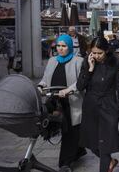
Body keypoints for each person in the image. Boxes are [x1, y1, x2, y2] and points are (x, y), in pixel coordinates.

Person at [77, 37, 119, 172]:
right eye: (94, 53)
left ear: (106, 50)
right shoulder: (87, 62)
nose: (97, 56)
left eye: (100, 53)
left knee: (105, 145)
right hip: (91, 106)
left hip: (109, 106)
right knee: (92, 144)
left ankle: (106, 163)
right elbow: (80, 86)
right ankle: (110, 161)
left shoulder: (115, 62)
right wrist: (90, 69)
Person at [38, 34, 86, 170]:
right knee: (54, 126)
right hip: (54, 100)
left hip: (72, 101)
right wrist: (40, 86)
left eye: (64, 46)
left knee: (70, 131)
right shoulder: (52, 61)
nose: (60, 48)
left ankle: (65, 163)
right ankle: (79, 150)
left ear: (70, 46)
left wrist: (68, 90)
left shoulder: (78, 61)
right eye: (58, 46)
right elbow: (45, 79)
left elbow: (81, 81)